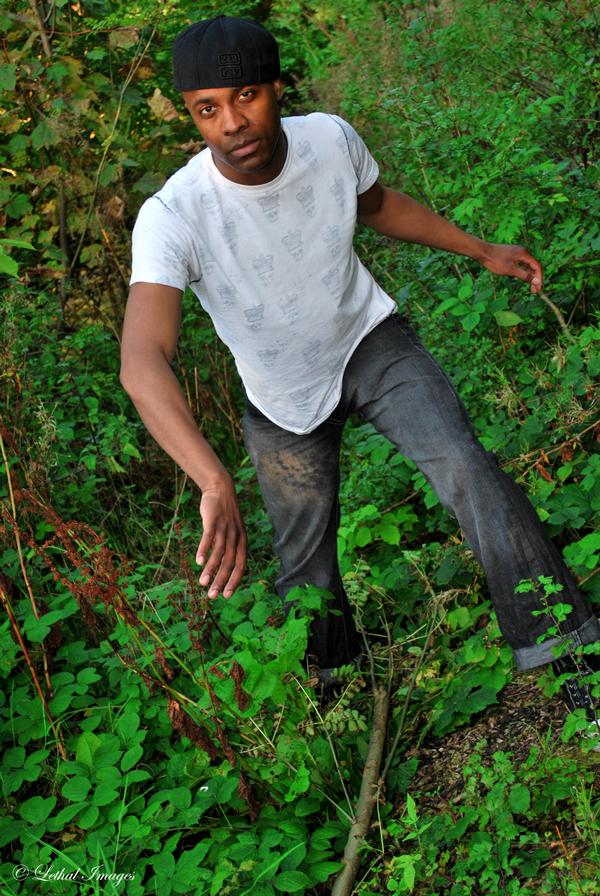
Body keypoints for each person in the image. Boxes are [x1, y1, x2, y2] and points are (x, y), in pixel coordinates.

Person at [121, 14, 600, 728]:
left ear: (277, 89)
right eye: (208, 109)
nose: (232, 122)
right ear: (193, 115)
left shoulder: (329, 139)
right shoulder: (175, 215)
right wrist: (211, 477)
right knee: (306, 569)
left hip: (372, 343)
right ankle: (337, 708)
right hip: (282, 399)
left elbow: (377, 206)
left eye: (246, 95)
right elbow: (142, 359)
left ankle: (572, 658)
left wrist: (479, 249)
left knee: (468, 469)